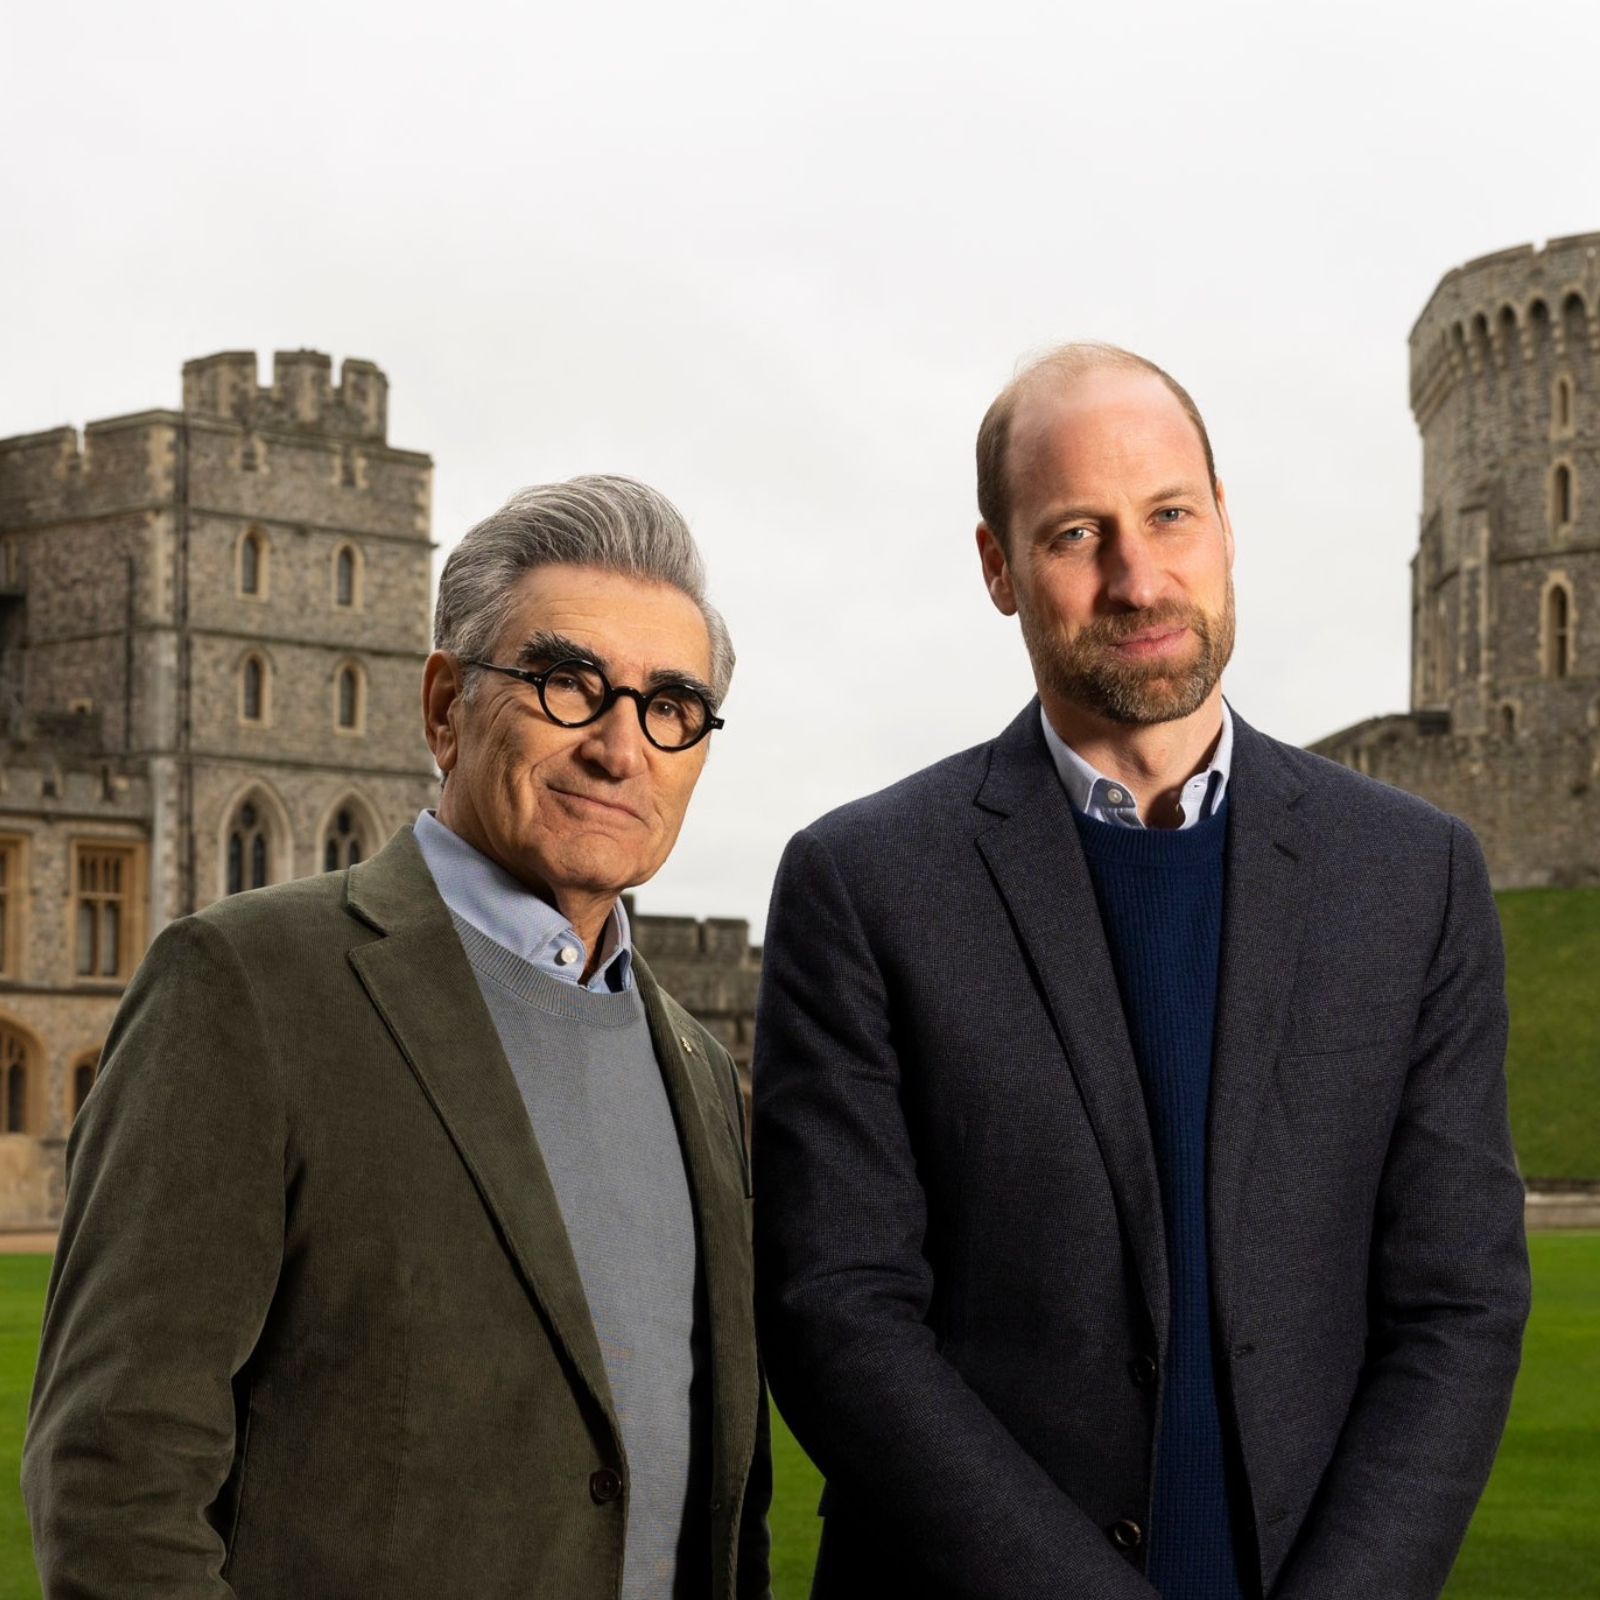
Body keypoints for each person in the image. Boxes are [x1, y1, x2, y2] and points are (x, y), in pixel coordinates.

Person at [752, 345, 1529, 1600]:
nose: (1136, 575)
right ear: (998, 568)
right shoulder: (863, 881)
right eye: (1074, 532)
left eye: (1169, 513)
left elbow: (1458, 1303)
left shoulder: (1414, 876)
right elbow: (837, 1314)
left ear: (1224, 521)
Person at [25, 475, 770, 1600]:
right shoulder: (246, 986)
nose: (622, 748)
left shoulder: (701, 1070)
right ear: (442, 707)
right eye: (568, 685)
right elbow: (114, 1479)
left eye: (670, 706)